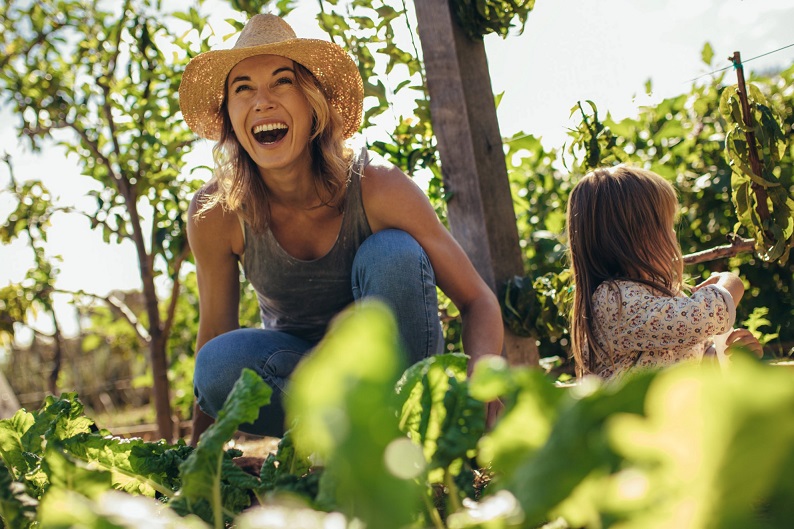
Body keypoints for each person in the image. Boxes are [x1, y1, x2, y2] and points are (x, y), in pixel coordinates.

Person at [178, 13, 503, 445]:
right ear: (229, 117)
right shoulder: (217, 212)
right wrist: (197, 457)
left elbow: (477, 299)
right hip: (299, 378)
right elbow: (215, 333)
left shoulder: (377, 186)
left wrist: (484, 372)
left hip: (396, 376)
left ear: (313, 101)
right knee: (216, 363)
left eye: (281, 82)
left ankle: (403, 436)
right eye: (243, 89)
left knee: (392, 252)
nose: (262, 102)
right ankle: (341, 441)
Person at [565, 165, 763, 379]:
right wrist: (730, 283)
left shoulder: (658, 294)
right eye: (667, 225)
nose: (673, 234)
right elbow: (700, 319)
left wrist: (724, 355)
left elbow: (688, 355)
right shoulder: (614, 299)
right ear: (639, 237)